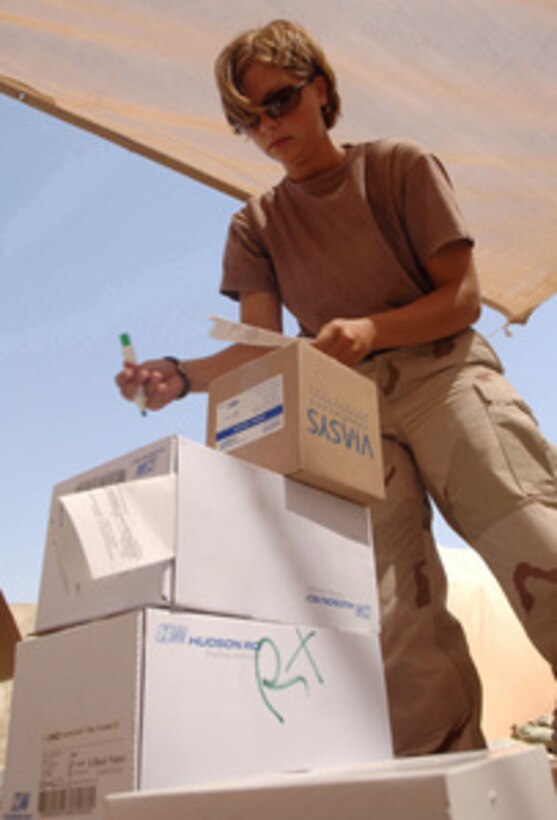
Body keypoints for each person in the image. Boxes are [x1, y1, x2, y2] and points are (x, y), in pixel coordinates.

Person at [116, 19, 557, 756]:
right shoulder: (254, 225)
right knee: (389, 615)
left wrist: (372, 331)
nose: (266, 129)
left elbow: (461, 299)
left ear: (319, 89)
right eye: (245, 120)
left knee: (529, 538)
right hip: (348, 415)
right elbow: (263, 352)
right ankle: (445, 784)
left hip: (444, 374)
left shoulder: (397, 168)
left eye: (279, 103)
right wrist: (182, 375)